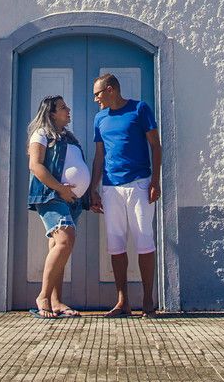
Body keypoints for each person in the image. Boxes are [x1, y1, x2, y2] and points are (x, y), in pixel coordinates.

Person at [90, 74, 161, 318]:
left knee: (144, 241)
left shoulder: (140, 109)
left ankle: (148, 302)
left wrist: (155, 182)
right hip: (111, 188)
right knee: (115, 244)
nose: (95, 99)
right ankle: (123, 303)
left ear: (110, 89)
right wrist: (93, 188)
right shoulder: (99, 118)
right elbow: (99, 155)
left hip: (140, 184)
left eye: (98, 94)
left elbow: (156, 146)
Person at [27, 95, 91, 319]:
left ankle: (56, 302)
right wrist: (60, 189)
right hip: (51, 196)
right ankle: (43, 297)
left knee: (59, 247)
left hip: (72, 200)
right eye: (63, 107)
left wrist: (86, 194)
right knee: (65, 240)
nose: (68, 110)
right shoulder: (41, 134)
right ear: (51, 113)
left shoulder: (70, 138)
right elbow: (35, 165)